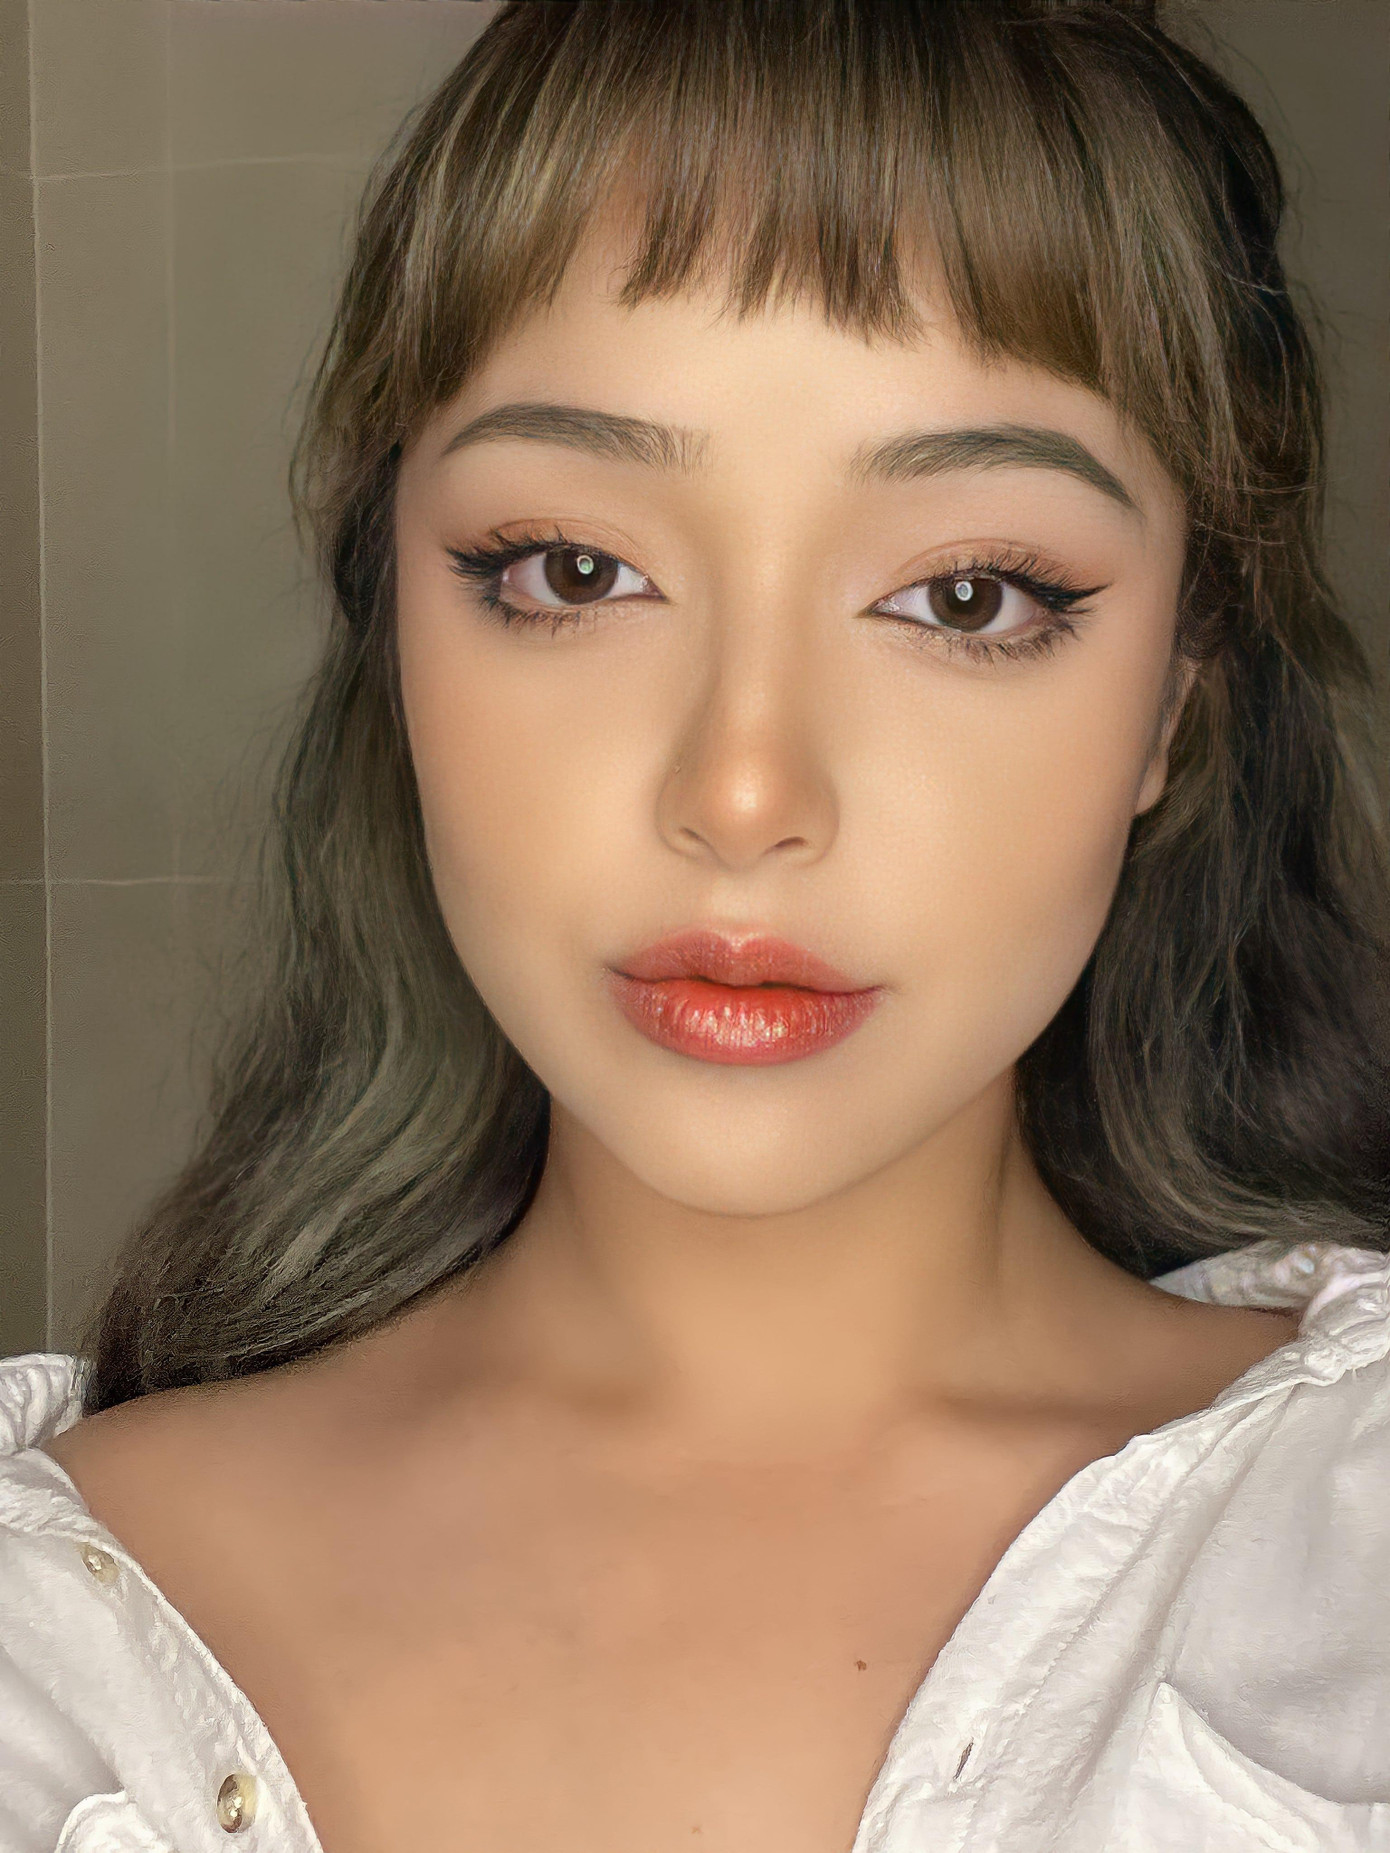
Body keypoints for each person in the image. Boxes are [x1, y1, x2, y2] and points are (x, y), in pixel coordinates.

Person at [2, 1, 1387, 1848]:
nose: (741, 792)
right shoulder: (43, 1635)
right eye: (575, 569)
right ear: (397, 630)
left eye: (967, 596)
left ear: (1172, 702)